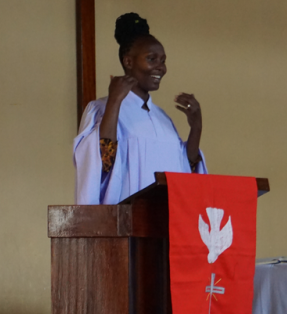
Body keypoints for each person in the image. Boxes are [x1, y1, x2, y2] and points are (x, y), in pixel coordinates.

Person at [74, 12, 207, 205]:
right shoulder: (100, 108)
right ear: (128, 62)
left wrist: (196, 128)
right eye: (152, 59)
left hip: (165, 220)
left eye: (163, 60)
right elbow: (100, 163)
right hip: (125, 219)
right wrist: (114, 102)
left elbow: (184, 170)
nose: (161, 67)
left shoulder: (163, 118)